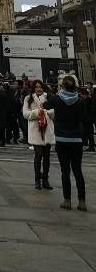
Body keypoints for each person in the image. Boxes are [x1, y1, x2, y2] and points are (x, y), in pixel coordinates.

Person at [49, 74, 87, 211]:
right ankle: (82, 201)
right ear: (75, 86)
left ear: (62, 86)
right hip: (76, 139)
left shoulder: (56, 99)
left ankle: (67, 200)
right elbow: (84, 119)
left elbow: (45, 105)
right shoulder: (81, 101)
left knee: (65, 171)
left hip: (62, 139)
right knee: (78, 171)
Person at [21, 79, 54, 190]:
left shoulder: (49, 97)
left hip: (47, 129)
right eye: (36, 87)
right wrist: (37, 113)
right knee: (38, 154)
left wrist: (45, 112)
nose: (38, 89)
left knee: (47, 155)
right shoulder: (28, 99)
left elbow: (55, 112)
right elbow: (25, 114)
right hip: (36, 129)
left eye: (40, 87)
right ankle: (37, 179)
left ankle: (45, 179)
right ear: (33, 88)